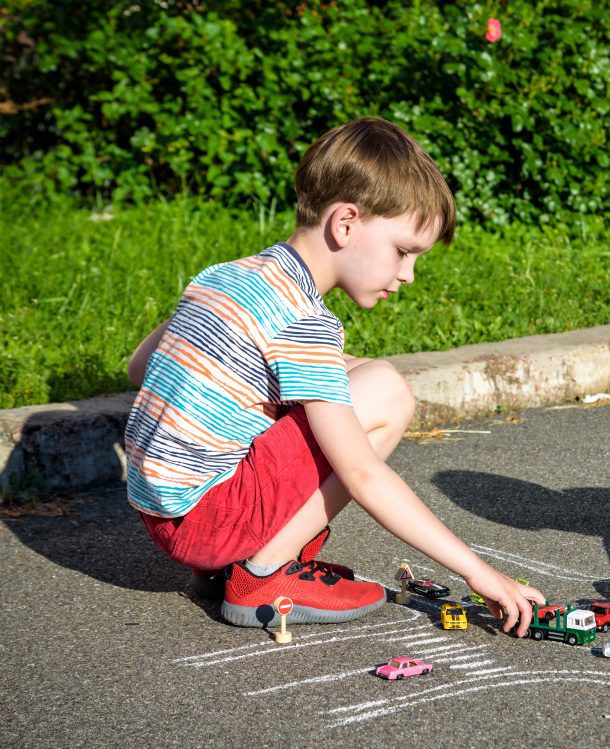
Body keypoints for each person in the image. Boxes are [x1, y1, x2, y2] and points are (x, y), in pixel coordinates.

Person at [125, 117, 544, 632]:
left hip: (161, 514)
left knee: (357, 374)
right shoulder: (304, 319)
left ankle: (230, 568)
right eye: (403, 251)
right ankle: (264, 573)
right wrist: (482, 575)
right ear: (345, 223)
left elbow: (139, 366)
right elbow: (364, 474)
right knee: (386, 390)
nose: (408, 274)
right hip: (211, 521)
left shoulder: (228, 276)